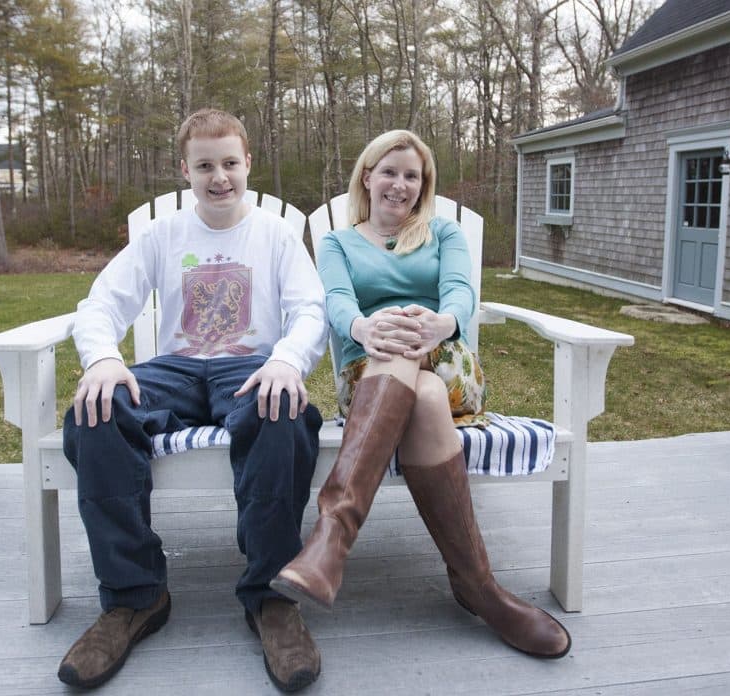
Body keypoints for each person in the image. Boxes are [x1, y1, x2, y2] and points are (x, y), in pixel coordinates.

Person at [270, 130, 571, 659]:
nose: (400, 184)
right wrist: (365, 329)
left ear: (423, 185)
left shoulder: (444, 233)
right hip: (370, 373)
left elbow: (460, 291)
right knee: (418, 389)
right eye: (390, 172)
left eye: (412, 176)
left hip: (450, 362)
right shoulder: (338, 243)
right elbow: (337, 302)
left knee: (415, 362)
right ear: (367, 176)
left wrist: (441, 322)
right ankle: (480, 587)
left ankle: (331, 540)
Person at [58, 108, 328, 692]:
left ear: (248, 162)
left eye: (230, 162)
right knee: (95, 412)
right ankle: (134, 597)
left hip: (249, 368)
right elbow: (101, 304)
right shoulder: (162, 234)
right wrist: (103, 360)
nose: (219, 176)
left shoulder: (276, 235)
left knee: (283, 412)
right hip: (174, 368)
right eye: (205, 165)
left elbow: (311, 309)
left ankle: (272, 598)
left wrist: (286, 361)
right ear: (185, 170)